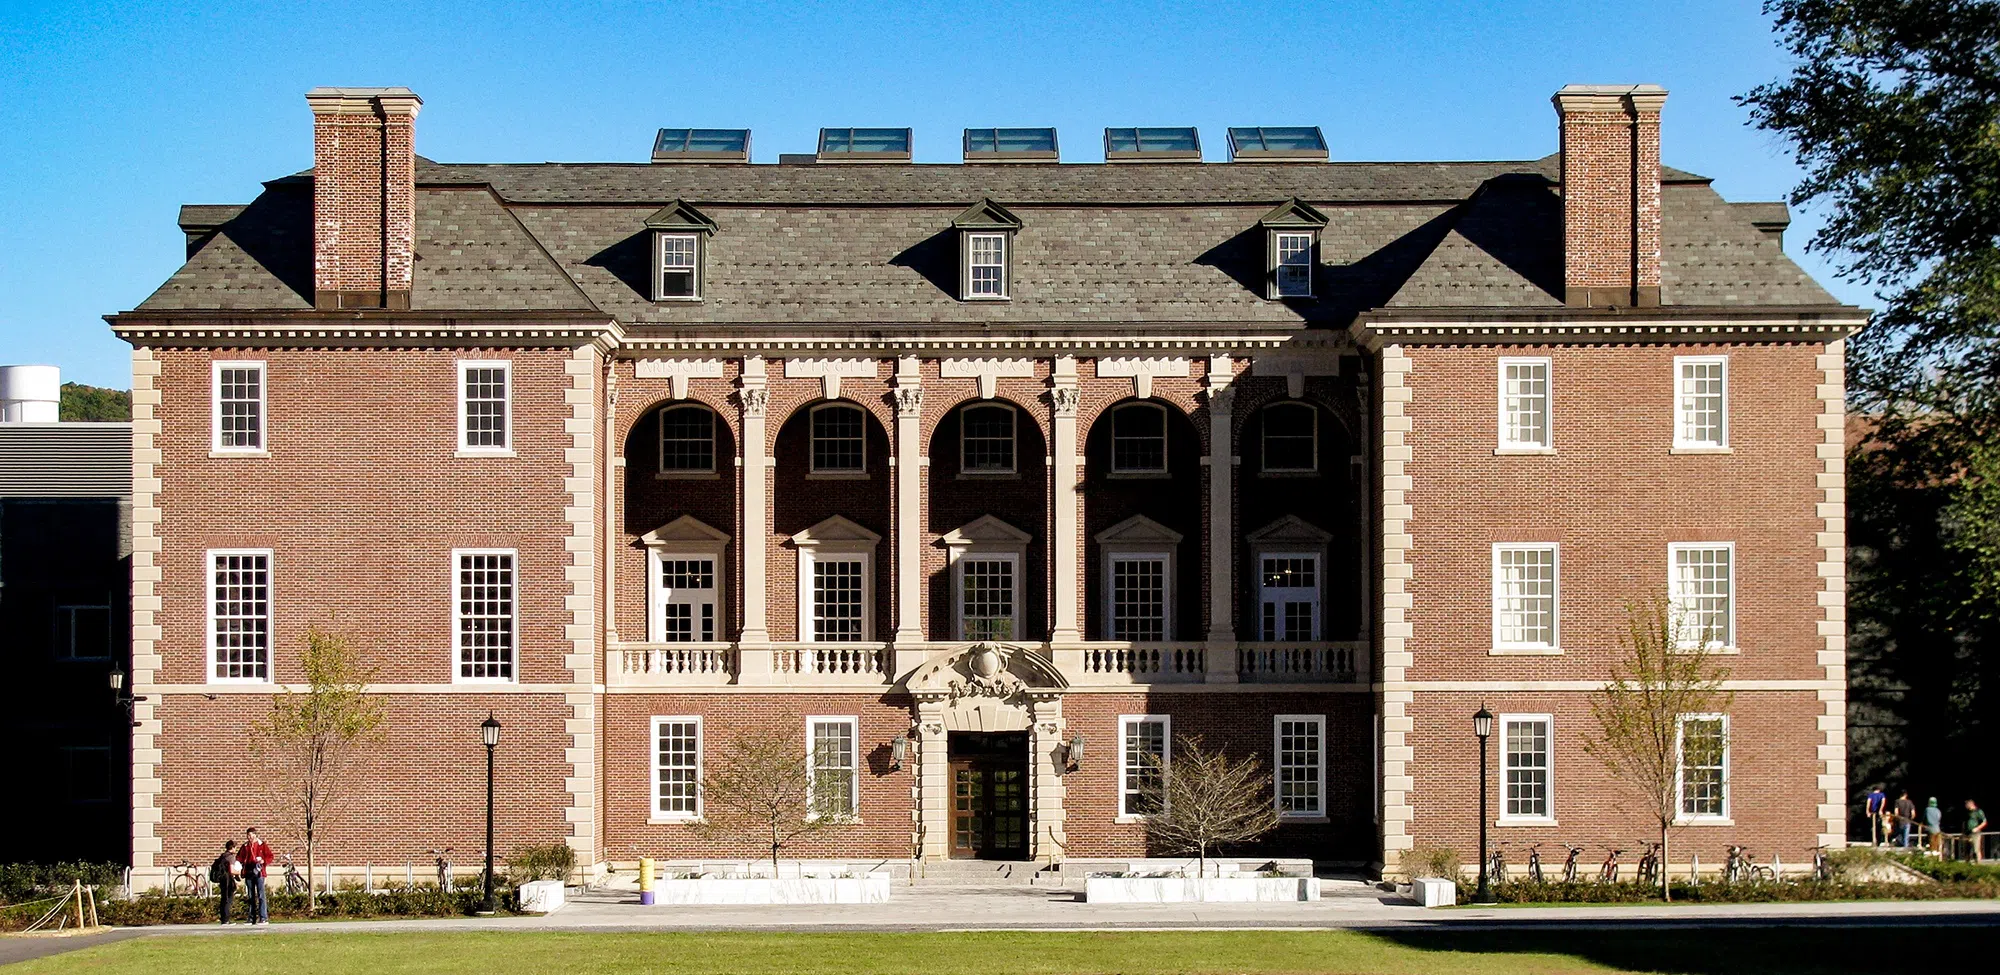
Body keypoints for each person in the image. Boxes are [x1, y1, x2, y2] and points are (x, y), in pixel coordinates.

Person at [238, 826, 273, 925]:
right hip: (249, 872)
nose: (250, 837)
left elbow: (270, 856)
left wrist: (263, 861)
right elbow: (239, 858)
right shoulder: (245, 846)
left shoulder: (262, 845)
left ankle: (263, 917)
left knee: (261, 895)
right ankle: (251, 917)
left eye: (252, 835)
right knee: (250, 895)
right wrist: (239, 865)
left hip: (259, 872)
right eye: (248, 835)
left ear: (255, 835)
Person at [209, 840, 239, 924]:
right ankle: (226, 919)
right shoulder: (231, 857)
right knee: (228, 899)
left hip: (222, 880)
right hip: (228, 880)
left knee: (223, 899)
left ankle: (223, 918)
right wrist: (241, 872)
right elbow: (232, 870)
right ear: (232, 848)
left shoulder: (223, 856)